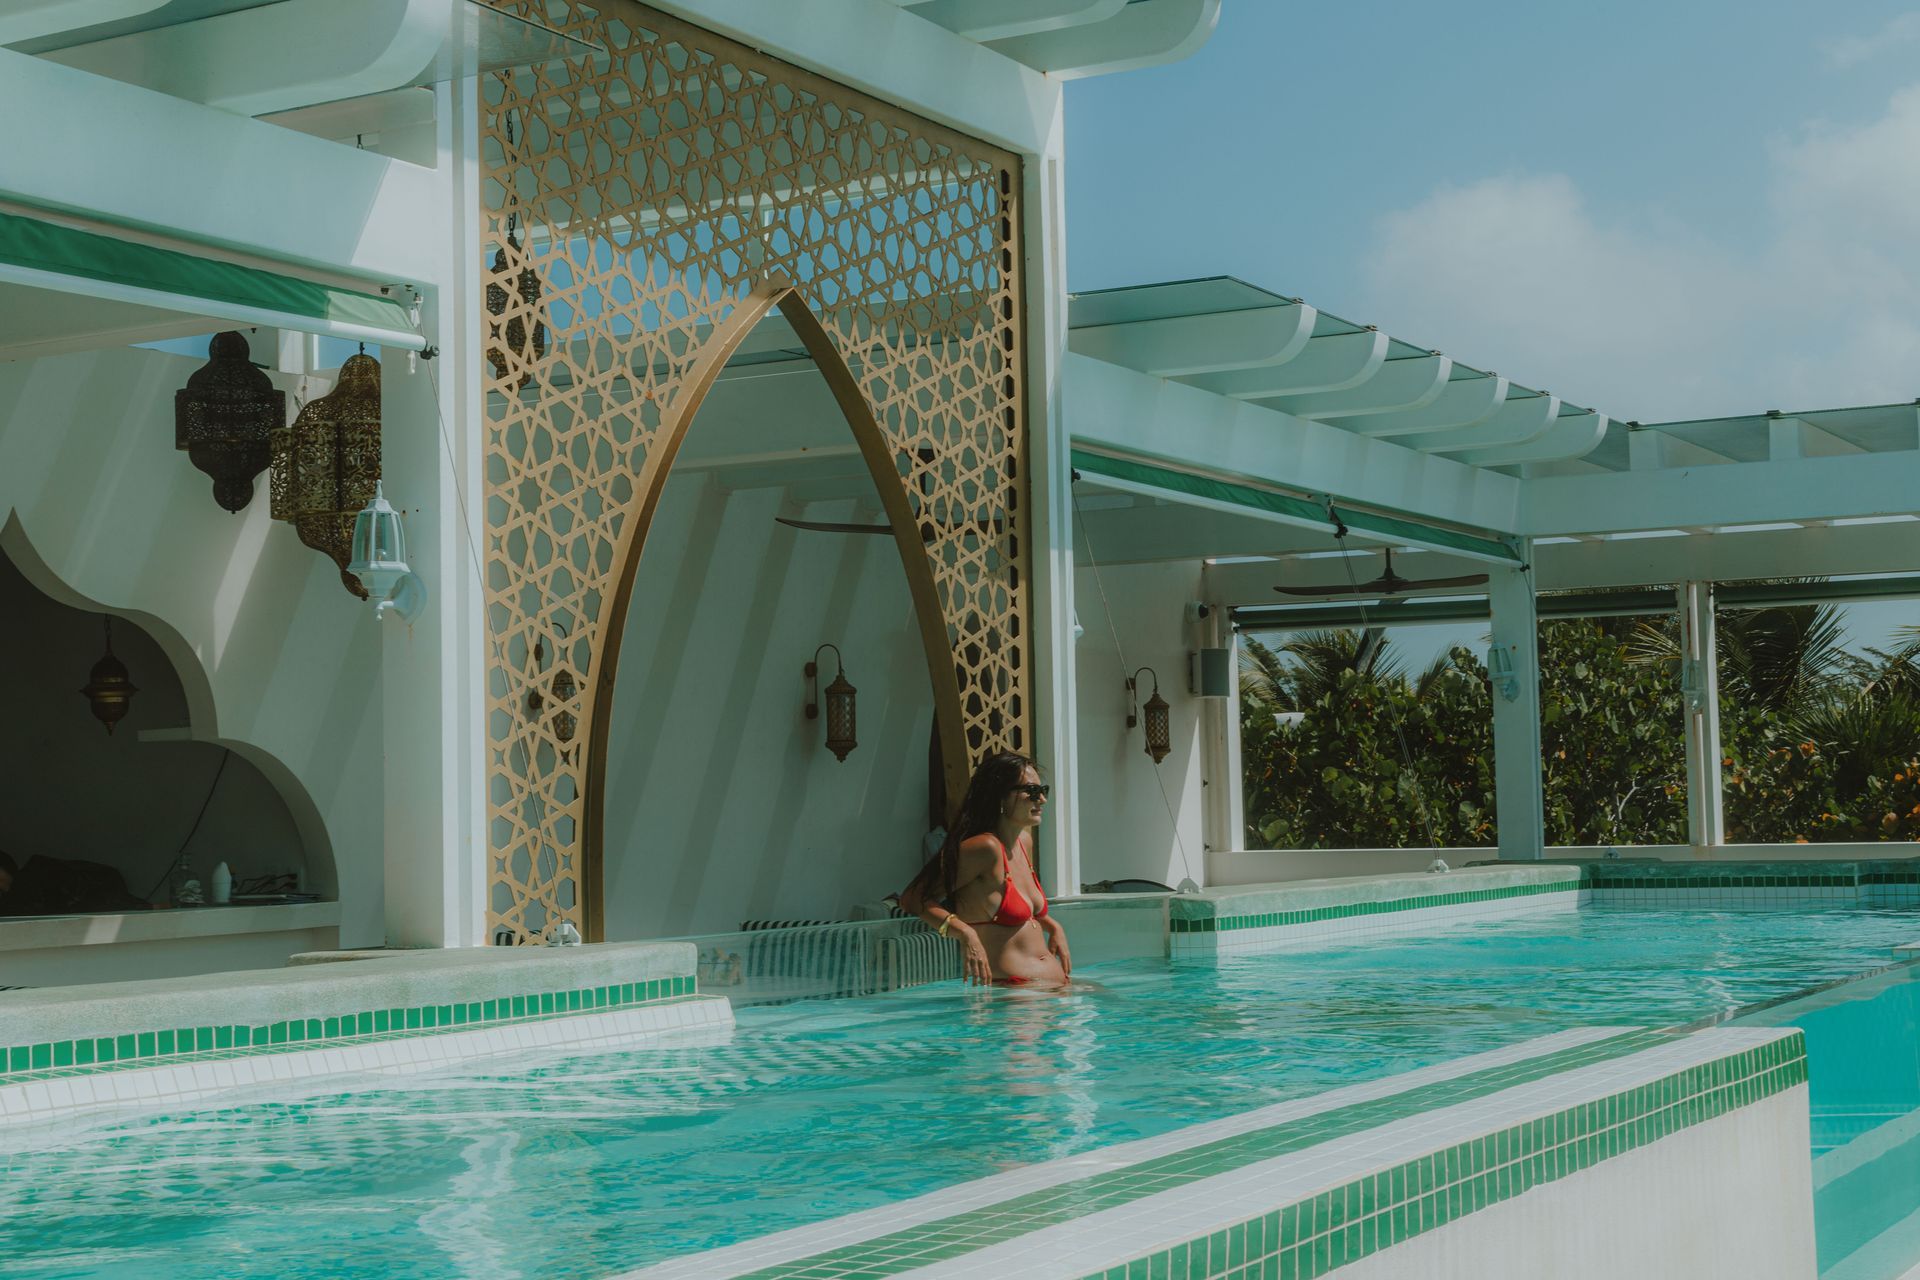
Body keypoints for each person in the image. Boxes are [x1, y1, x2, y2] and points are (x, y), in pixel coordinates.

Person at [898, 753, 1071, 987]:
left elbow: (1024, 913)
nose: (1041, 799)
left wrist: (1053, 925)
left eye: (1043, 790)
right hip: (1014, 995)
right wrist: (964, 932)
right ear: (1000, 796)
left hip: (1045, 990)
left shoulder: (1023, 842)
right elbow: (912, 898)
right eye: (1031, 791)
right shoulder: (983, 849)